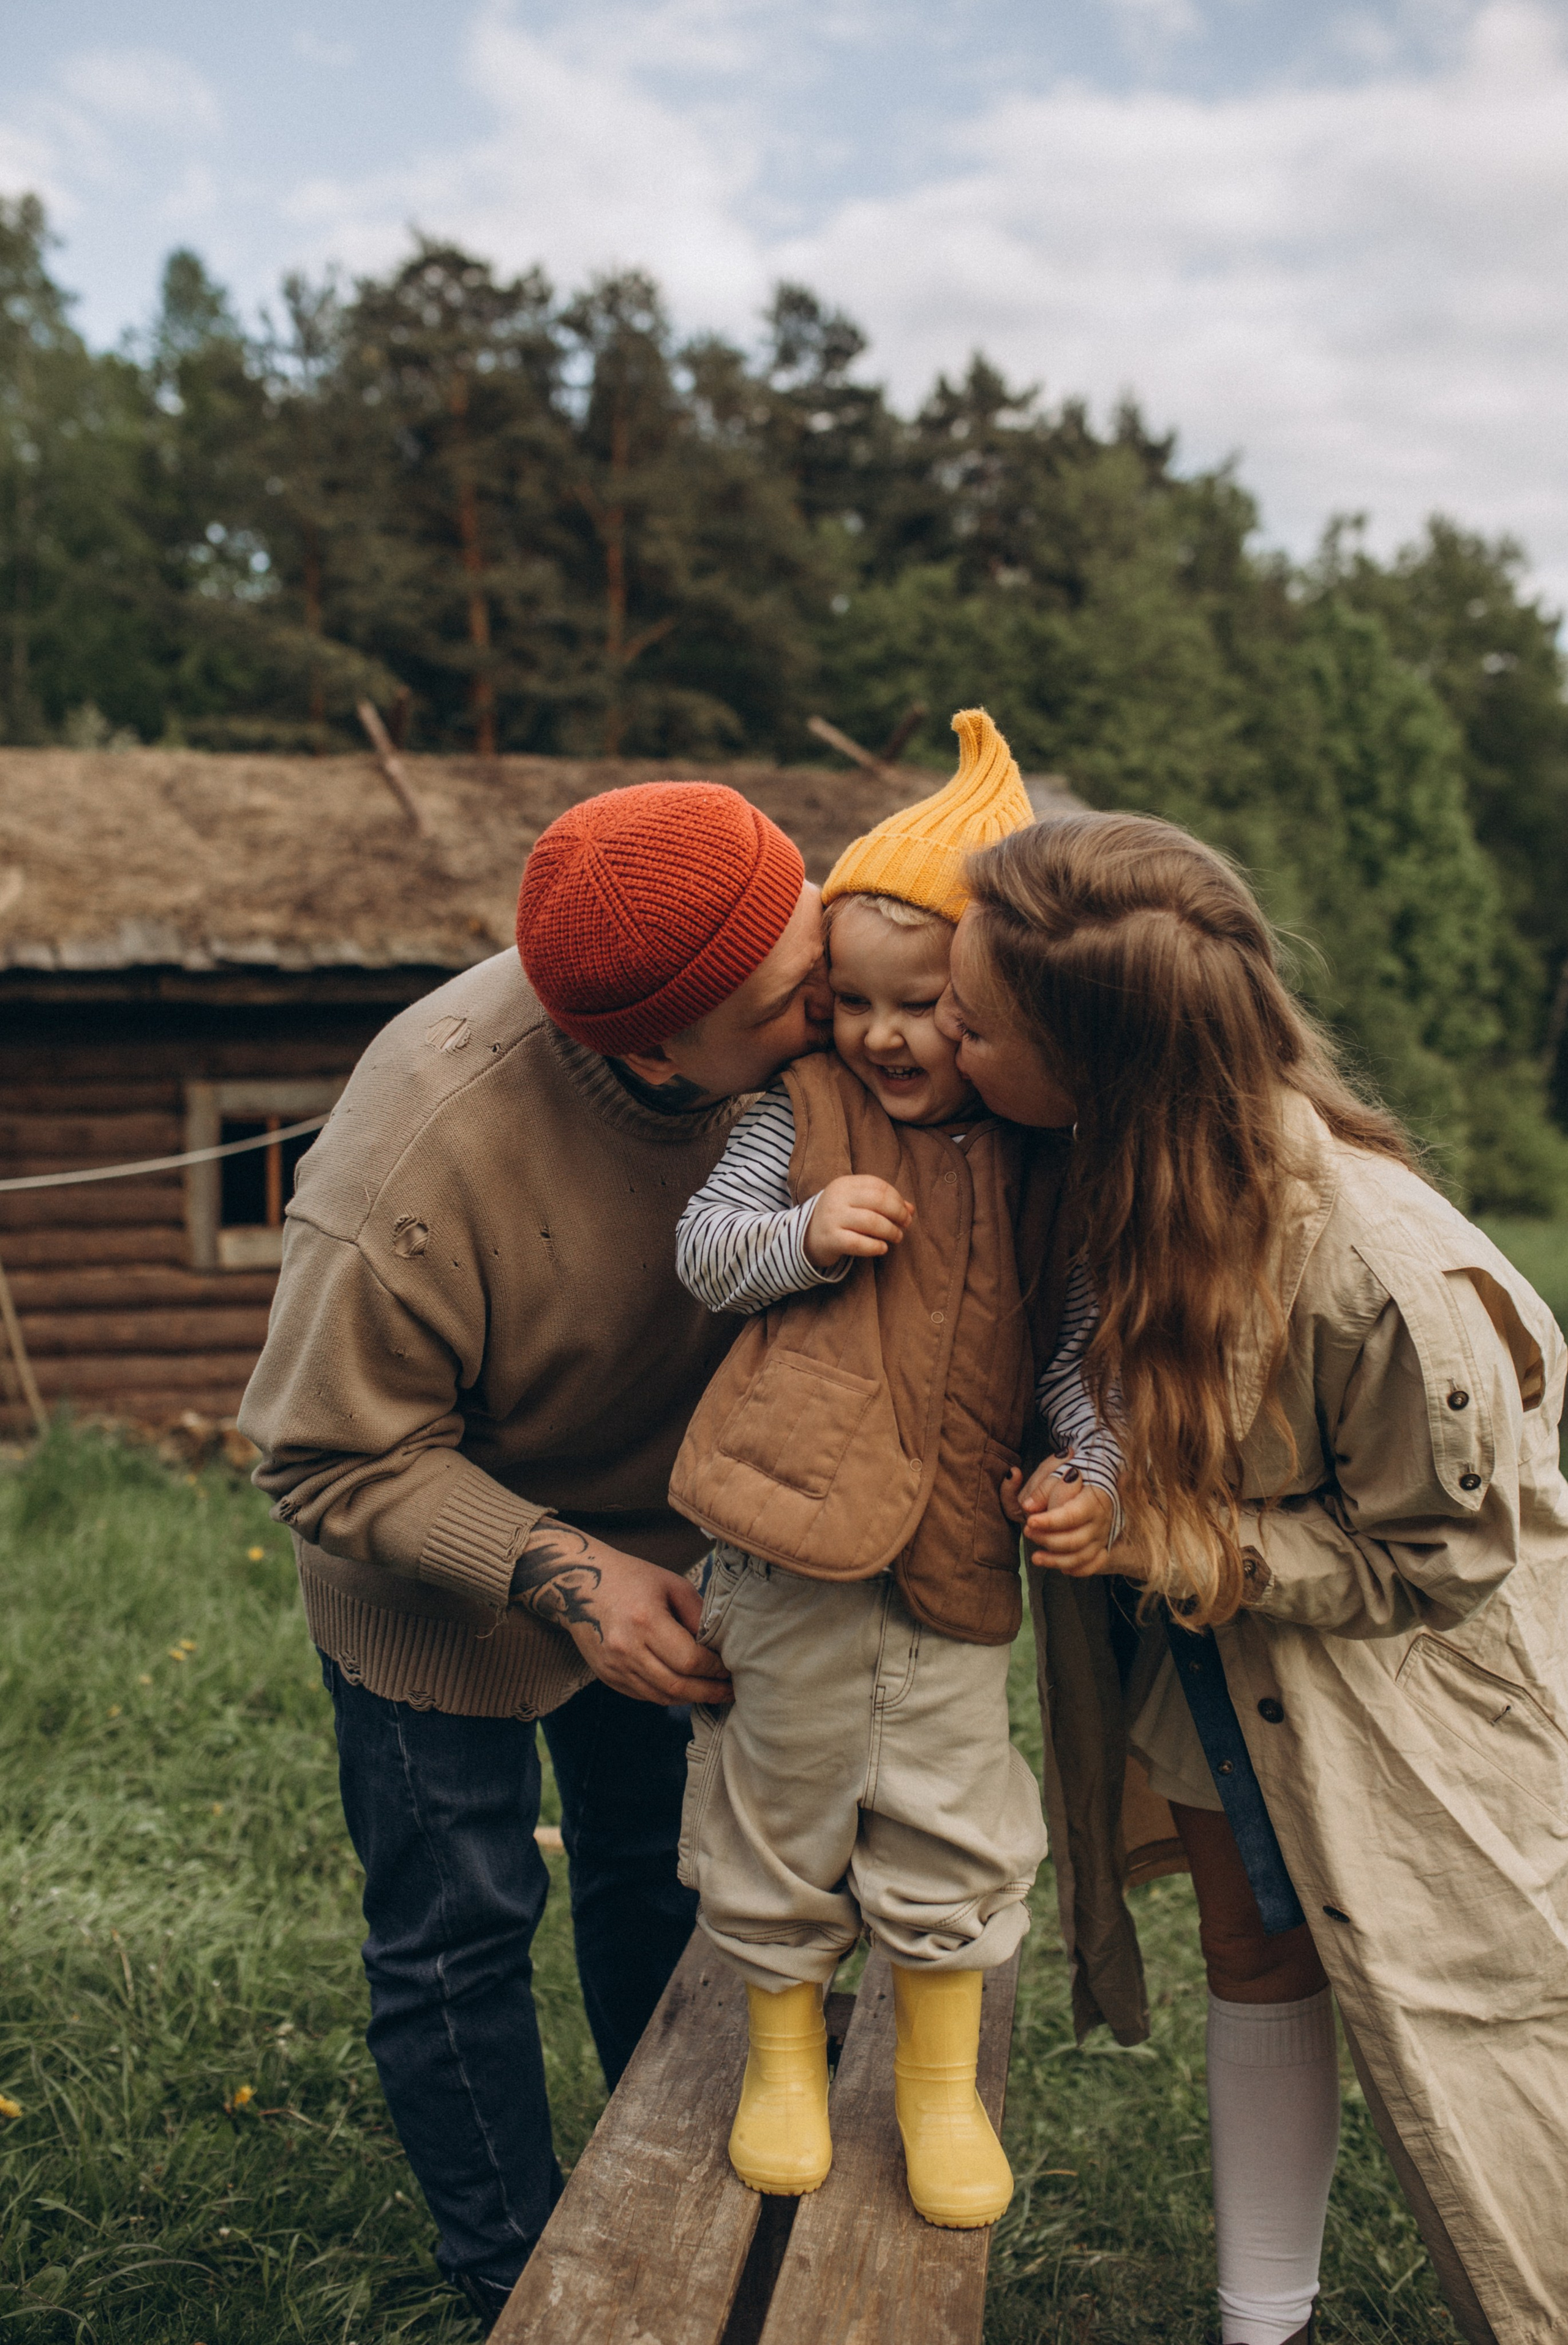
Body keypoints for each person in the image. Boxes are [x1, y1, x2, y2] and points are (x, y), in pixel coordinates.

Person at [937, 808, 1568, 2345]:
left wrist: (1182, 1543)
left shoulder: (1375, 1273)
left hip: (1398, 1691)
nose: (939, 1038)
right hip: (1226, 1668)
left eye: (971, 1020)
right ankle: (1257, 2319)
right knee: (1255, 1953)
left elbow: (1442, 1558)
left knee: (1473, 2004)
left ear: (1098, 1064)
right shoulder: (1092, 1164)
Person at [238, 780, 834, 2330]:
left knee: (666, 1880)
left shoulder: (801, 1019)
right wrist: (564, 1575)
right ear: (648, 1051)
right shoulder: (416, 1155)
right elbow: (319, 1452)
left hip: (675, 1547)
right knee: (459, 1929)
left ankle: (694, 2210)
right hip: (436, 1561)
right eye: (791, 1001)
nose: (832, 1008)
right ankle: (510, 2279)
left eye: (813, 943)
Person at [666, 711, 1119, 2229]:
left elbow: (1070, 1348)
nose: (883, 1036)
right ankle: (779, 2054)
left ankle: (934, 2082)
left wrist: (1095, 1468)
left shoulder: (1044, 1152)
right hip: (784, 1543)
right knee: (775, 1797)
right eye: (850, 1004)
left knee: (945, 1808)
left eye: (922, 1006)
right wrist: (797, 1237)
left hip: (948, 1552)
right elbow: (700, 1260)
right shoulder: (794, 1114)